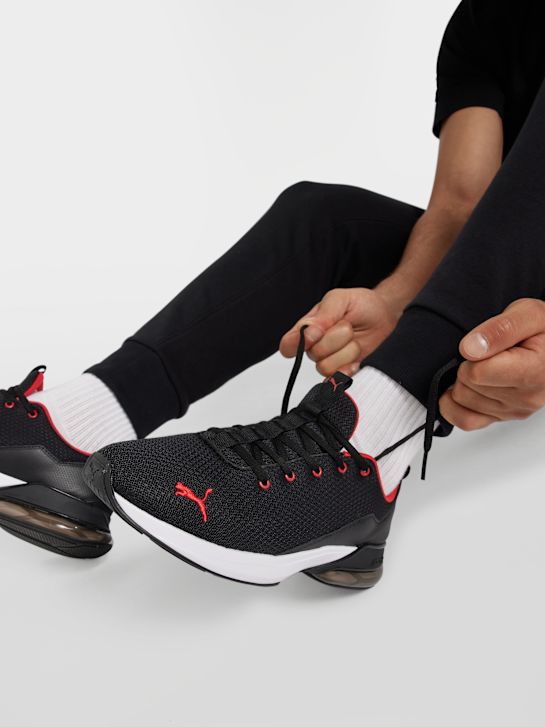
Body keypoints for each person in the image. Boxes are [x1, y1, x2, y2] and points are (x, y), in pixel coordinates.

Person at [1, 0, 545, 587]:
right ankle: (74, 428)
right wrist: (395, 300)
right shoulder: (491, 16)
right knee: (325, 217)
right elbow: (461, 203)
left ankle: (363, 453)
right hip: (509, 267)